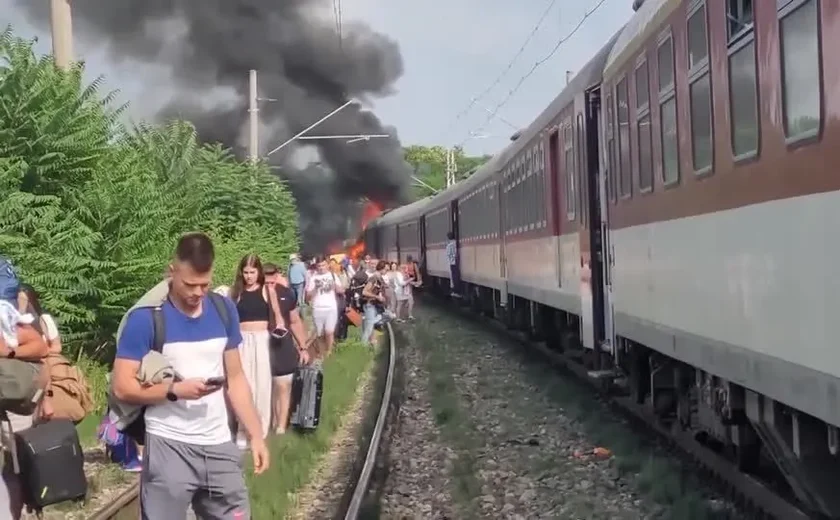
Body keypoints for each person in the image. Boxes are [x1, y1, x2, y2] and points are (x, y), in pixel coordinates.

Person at [112, 232, 268, 520]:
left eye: (205, 285)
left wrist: (256, 435)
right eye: (189, 284)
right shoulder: (146, 319)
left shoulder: (224, 310)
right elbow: (122, 387)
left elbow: (236, 379)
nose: (197, 293)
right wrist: (174, 391)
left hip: (219, 445)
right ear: (172, 272)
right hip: (168, 445)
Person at [228, 254, 286, 447]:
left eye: (252, 272)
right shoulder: (235, 293)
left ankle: (260, 430)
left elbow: (278, 315)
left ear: (259, 272)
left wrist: (279, 328)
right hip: (242, 341)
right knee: (245, 385)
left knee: (262, 385)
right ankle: (243, 429)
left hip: (261, 339)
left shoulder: (266, 291)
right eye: (246, 272)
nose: (249, 276)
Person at [263, 263, 309, 434]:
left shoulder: (286, 294)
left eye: (271, 281)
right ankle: (272, 422)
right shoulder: (255, 296)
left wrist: (303, 347)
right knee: (270, 387)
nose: (268, 285)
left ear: (276, 277)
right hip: (263, 343)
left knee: (284, 385)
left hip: (283, 344)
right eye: (265, 282)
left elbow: (295, 321)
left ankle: (281, 427)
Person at [305, 256, 343, 357]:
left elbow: (341, 290)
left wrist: (335, 286)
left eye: (323, 265)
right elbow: (308, 296)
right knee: (319, 333)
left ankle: (329, 351)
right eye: (319, 266)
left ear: (327, 265)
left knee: (329, 331)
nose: (321, 267)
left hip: (331, 308)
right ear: (316, 267)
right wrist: (315, 289)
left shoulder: (333, 275)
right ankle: (321, 352)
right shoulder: (313, 278)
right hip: (317, 308)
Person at [361, 260, 388, 344]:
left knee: (388, 316)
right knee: (368, 328)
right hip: (370, 305)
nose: (387, 271)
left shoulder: (379, 278)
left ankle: (372, 323)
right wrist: (377, 297)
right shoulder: (373, 278)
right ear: (382, 268)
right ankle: (363, 346)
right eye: (386, 269)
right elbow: (364, 292)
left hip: (375, 305)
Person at [446, 231, 460, 297]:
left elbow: (448, 254)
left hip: (452, 262)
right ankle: (456, 290)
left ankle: (455, 290)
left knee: (454, 276)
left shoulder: (449, 245)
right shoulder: (456, 243)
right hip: (456, 261)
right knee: (456, 276)